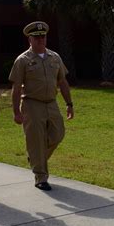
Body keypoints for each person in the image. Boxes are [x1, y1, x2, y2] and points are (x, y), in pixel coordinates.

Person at [9, 21, 74, 191]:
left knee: (58, 134)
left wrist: (69, 103)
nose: (40, 40)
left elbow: (62, 81)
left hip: (51, 103)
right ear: (29, 39)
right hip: (32, 104)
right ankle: (40, 177)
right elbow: (16, 88)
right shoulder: (22, 60)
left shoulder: (55, 57)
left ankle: (36, 158)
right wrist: (16, 111)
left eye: (43, 37)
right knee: (36, 140)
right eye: (36, 37)